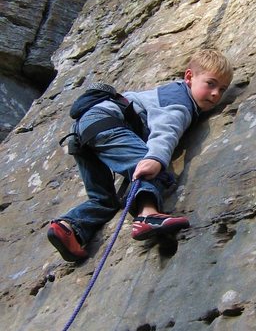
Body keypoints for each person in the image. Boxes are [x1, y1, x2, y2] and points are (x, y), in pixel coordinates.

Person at [47, 48, 233, 262]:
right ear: (189, 77)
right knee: (153, 171)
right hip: (106, 123)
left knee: (104, 199)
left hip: (83, 135)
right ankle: (147, 215)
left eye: (222, 89)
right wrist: (155, 159)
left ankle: (68, 228)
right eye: (211, 84)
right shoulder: (179, 102)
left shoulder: (168, 94)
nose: (216, 94)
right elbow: (166, 131)